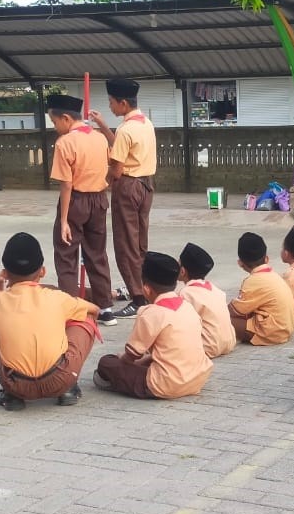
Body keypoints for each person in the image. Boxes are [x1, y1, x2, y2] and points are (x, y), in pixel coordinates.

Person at [0, 232, 99, 410]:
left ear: (5, 273)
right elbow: (94, 310)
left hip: (16, 384)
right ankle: (68, 388)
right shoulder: (56, 297)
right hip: (60, 379)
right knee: (85, 316)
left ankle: (11, 396)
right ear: (42, 271)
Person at [94, 252, 212, 399]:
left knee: (106, 363)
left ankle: (119, 382)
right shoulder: (187, 307)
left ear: (146, 289)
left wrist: (122, 361)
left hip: (166, 384)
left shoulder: (150, 312)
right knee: (147, 359)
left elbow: (131, 355)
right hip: (198, 378)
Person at [91, 78, 156, 319]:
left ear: (123, 102)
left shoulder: (127, 129)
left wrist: (98, 186)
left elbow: (116, 170)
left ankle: (138, 299)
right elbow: (120, 144)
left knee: (125, 245)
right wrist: (102, 124)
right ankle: (146, 289)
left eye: (111, 102)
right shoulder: (145, 123)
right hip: (146, 185)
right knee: (139, 243)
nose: (110, 106)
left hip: (128, 188)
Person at [47, 93, 114, 323]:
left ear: (66, 118)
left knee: (66, 255)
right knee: (97, 254)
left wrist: (64, 220)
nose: (55, 127)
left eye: (54, 122)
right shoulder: (99, 138)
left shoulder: (65, 142)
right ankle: (105, 308)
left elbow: (66, 184)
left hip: (75, 201)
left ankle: (71, 309)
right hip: (99, 200)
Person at [228, 232, 294, 345]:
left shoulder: (253, 281)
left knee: (223, 321)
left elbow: (236, 310)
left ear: (240, 263)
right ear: (266, 259)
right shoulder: (274, 275)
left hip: (273, 332)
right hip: (287, 328)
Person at [177, 242, 235, 358]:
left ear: (183, 271)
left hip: (207, 347)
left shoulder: (186, 294)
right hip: (229, 343)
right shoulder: (216, 289)